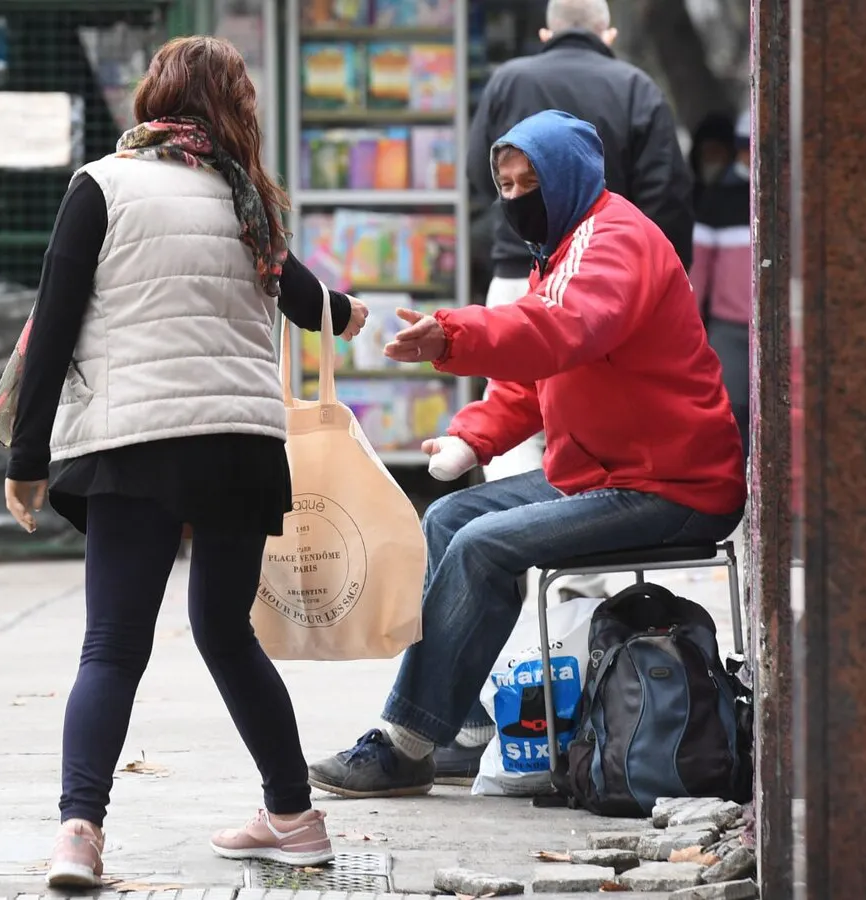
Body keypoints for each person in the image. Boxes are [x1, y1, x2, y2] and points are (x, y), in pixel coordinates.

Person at [2, 36, 368, 887]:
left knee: (111, 648)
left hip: (137, 446)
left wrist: (28, 457)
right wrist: (346, 312)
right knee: (226, 634)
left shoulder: (103, 186)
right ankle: (295, 816)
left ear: (153, 98)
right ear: (234, 107)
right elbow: (305, 298)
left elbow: (53, 324)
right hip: (241, 451)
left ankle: (79, 834)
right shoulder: (249, 202)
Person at [307, 110, 746, 800]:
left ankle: (406, 743)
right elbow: (533, 376)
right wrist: (473, 435)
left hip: (672, 486)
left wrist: (453, 336)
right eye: (505, 185)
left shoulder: (615, 241)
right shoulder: (567, 247)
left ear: (569, 178)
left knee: (482, 545)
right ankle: (466, 731)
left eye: (528, 182)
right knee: (451, 519)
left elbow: (560, 330)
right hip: (604, 474)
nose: (516, 198)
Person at [441, 0, 696, 782]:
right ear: (609, 31)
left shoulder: (510, 77)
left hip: (559, 286)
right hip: (585, 284)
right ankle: (464, 688)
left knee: (507, 502)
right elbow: (669, 190)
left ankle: (520, 613)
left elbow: (484, 170)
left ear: (550, 30)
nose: (520, 185)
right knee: (483, 505)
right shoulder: (634, 86)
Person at [690, 111, 751, 461]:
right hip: (730, 328)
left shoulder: (787, 198)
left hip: (781, 326)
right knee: (732, 409)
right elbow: (700, 271)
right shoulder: (717, 200)